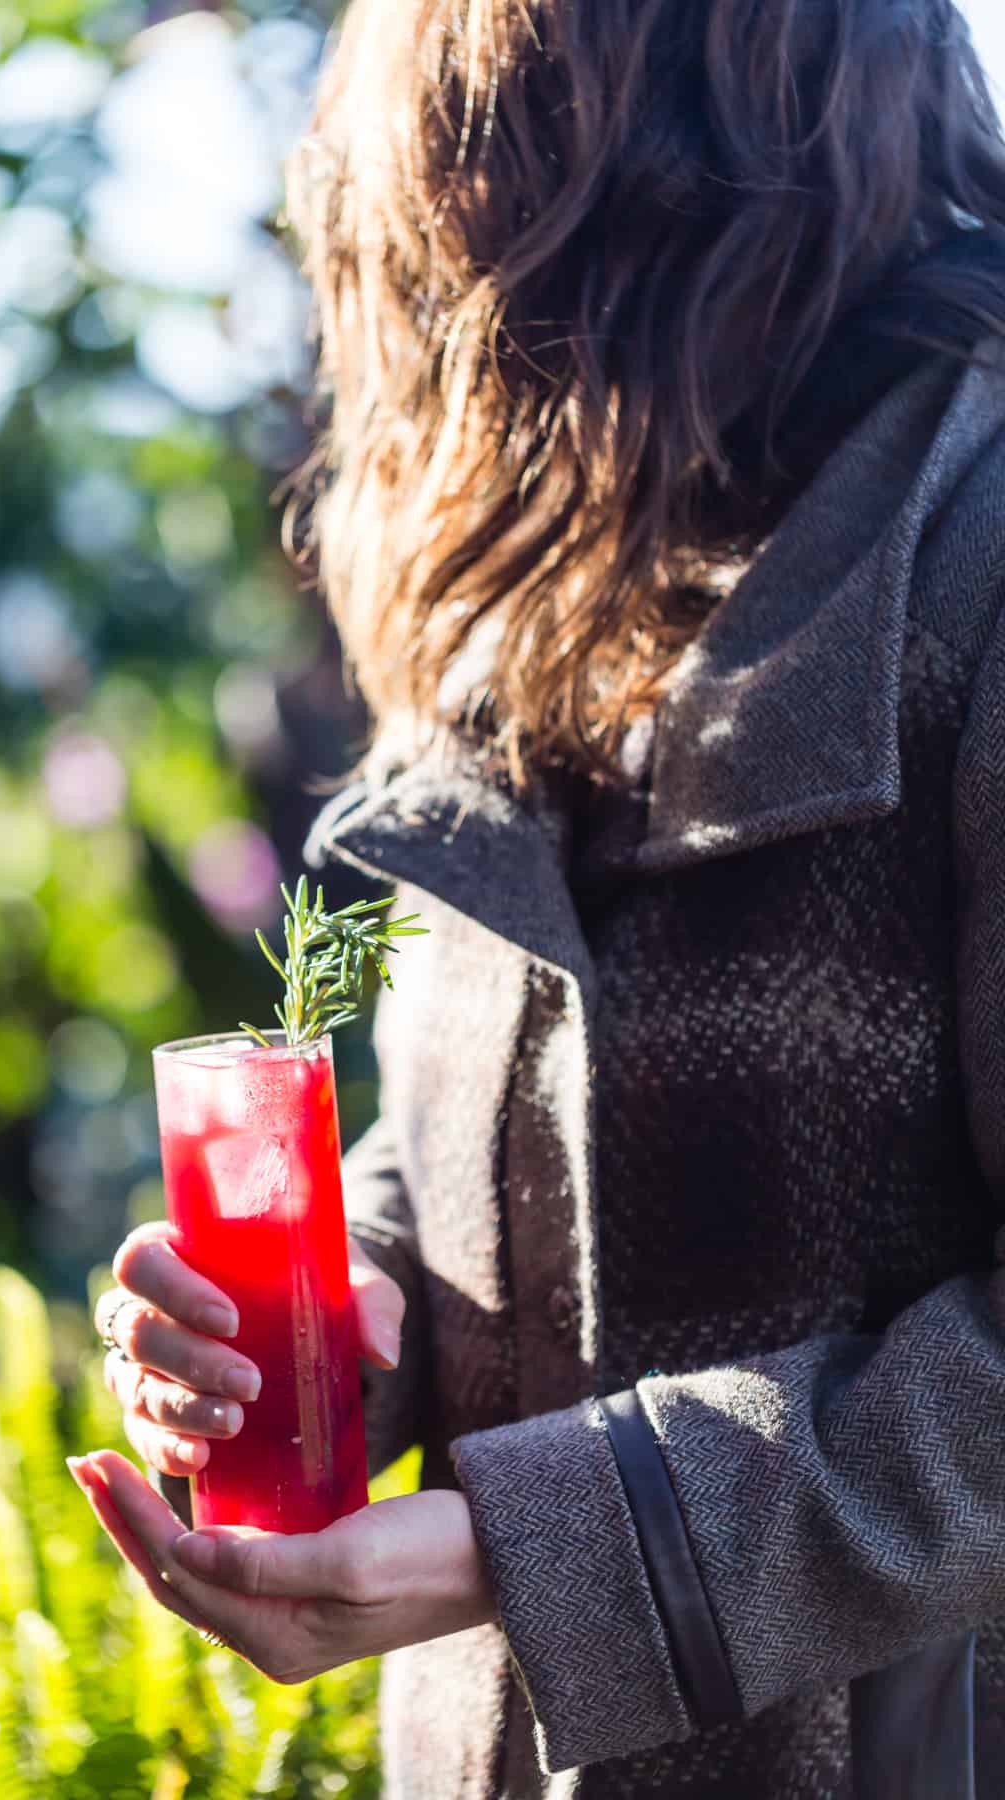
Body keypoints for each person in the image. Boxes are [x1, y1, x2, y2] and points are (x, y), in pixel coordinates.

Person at [65, 1, 1005, 1793]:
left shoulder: (977, 547)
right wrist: (347, 1311)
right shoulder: (560, 586)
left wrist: (524, 1544)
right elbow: (511, 1142)